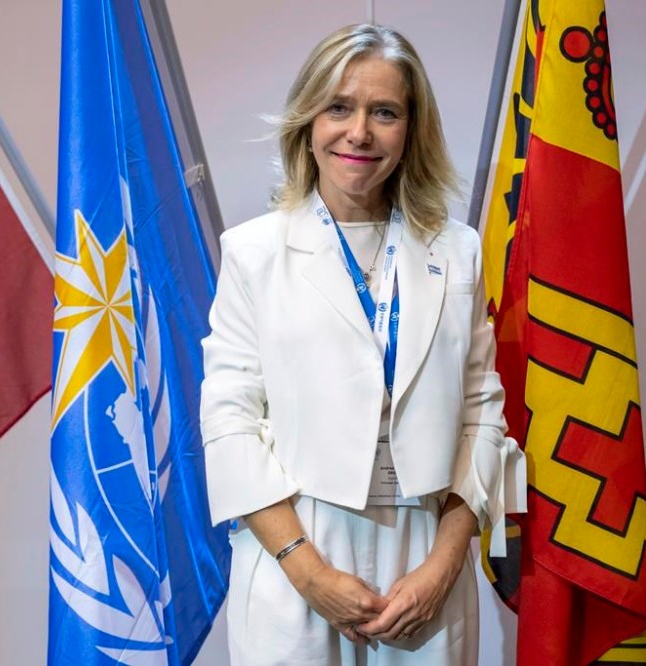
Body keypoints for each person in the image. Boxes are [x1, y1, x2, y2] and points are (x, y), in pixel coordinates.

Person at [200, 23, 526, 665]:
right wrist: (309, 574)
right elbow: (228, 423)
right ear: (308, 123)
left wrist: (444, 565)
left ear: (411, 130)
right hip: (297, 546)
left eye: (384, 112)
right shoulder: (252, 252)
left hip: (427, 553)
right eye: (339, 107)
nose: (359, 132)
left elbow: (483, 417)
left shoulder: (457, 251)